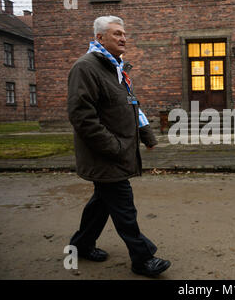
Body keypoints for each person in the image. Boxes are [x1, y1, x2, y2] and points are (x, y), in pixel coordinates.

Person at [67, 15, 170, 277]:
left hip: (117, 151)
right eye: (117, 34)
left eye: (124, 33)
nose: (124, 38)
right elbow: (82, 117)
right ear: (100, 38)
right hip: (104, 155)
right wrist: (113, 147)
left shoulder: (116, 67)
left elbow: (132, 105)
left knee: (101, 203)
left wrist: (146, 135)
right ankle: (143, 258)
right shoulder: (86, 68)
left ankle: (81, 245)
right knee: (123, 206)